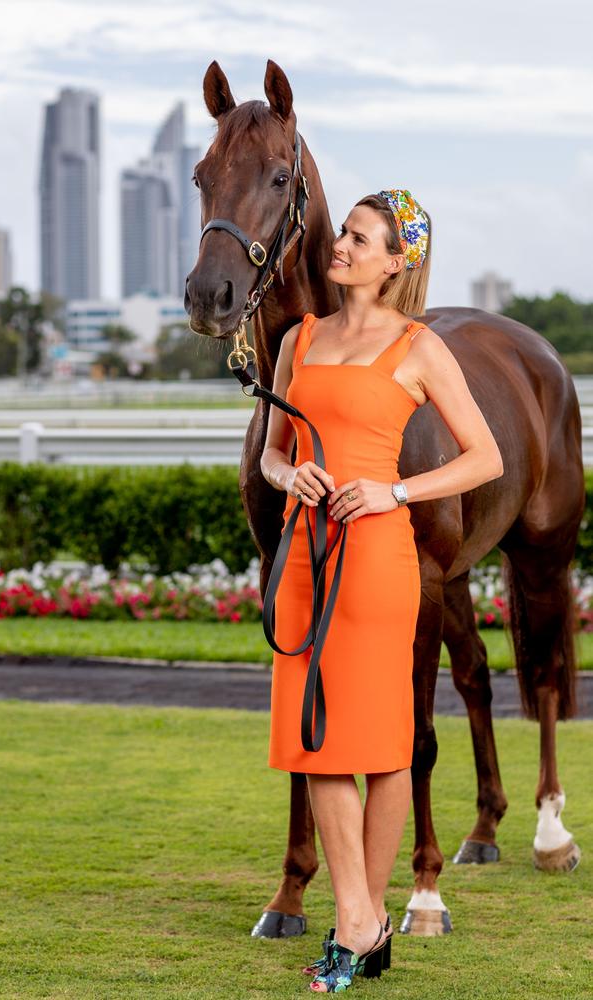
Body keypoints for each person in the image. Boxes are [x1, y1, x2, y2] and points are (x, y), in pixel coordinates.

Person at [260, 190, 504, 994]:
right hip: (304, 554)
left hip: (374, 559)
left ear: (397, 262)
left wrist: (394, 492)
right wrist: (290, 471)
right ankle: (360, 922)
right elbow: (270, 454)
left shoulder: (419, 346)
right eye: (343, 232)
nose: (341, 245)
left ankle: (358, 927)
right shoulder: (299, 338)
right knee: (315, 739)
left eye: (360, 238)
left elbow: (485, 458)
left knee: (383, 742)